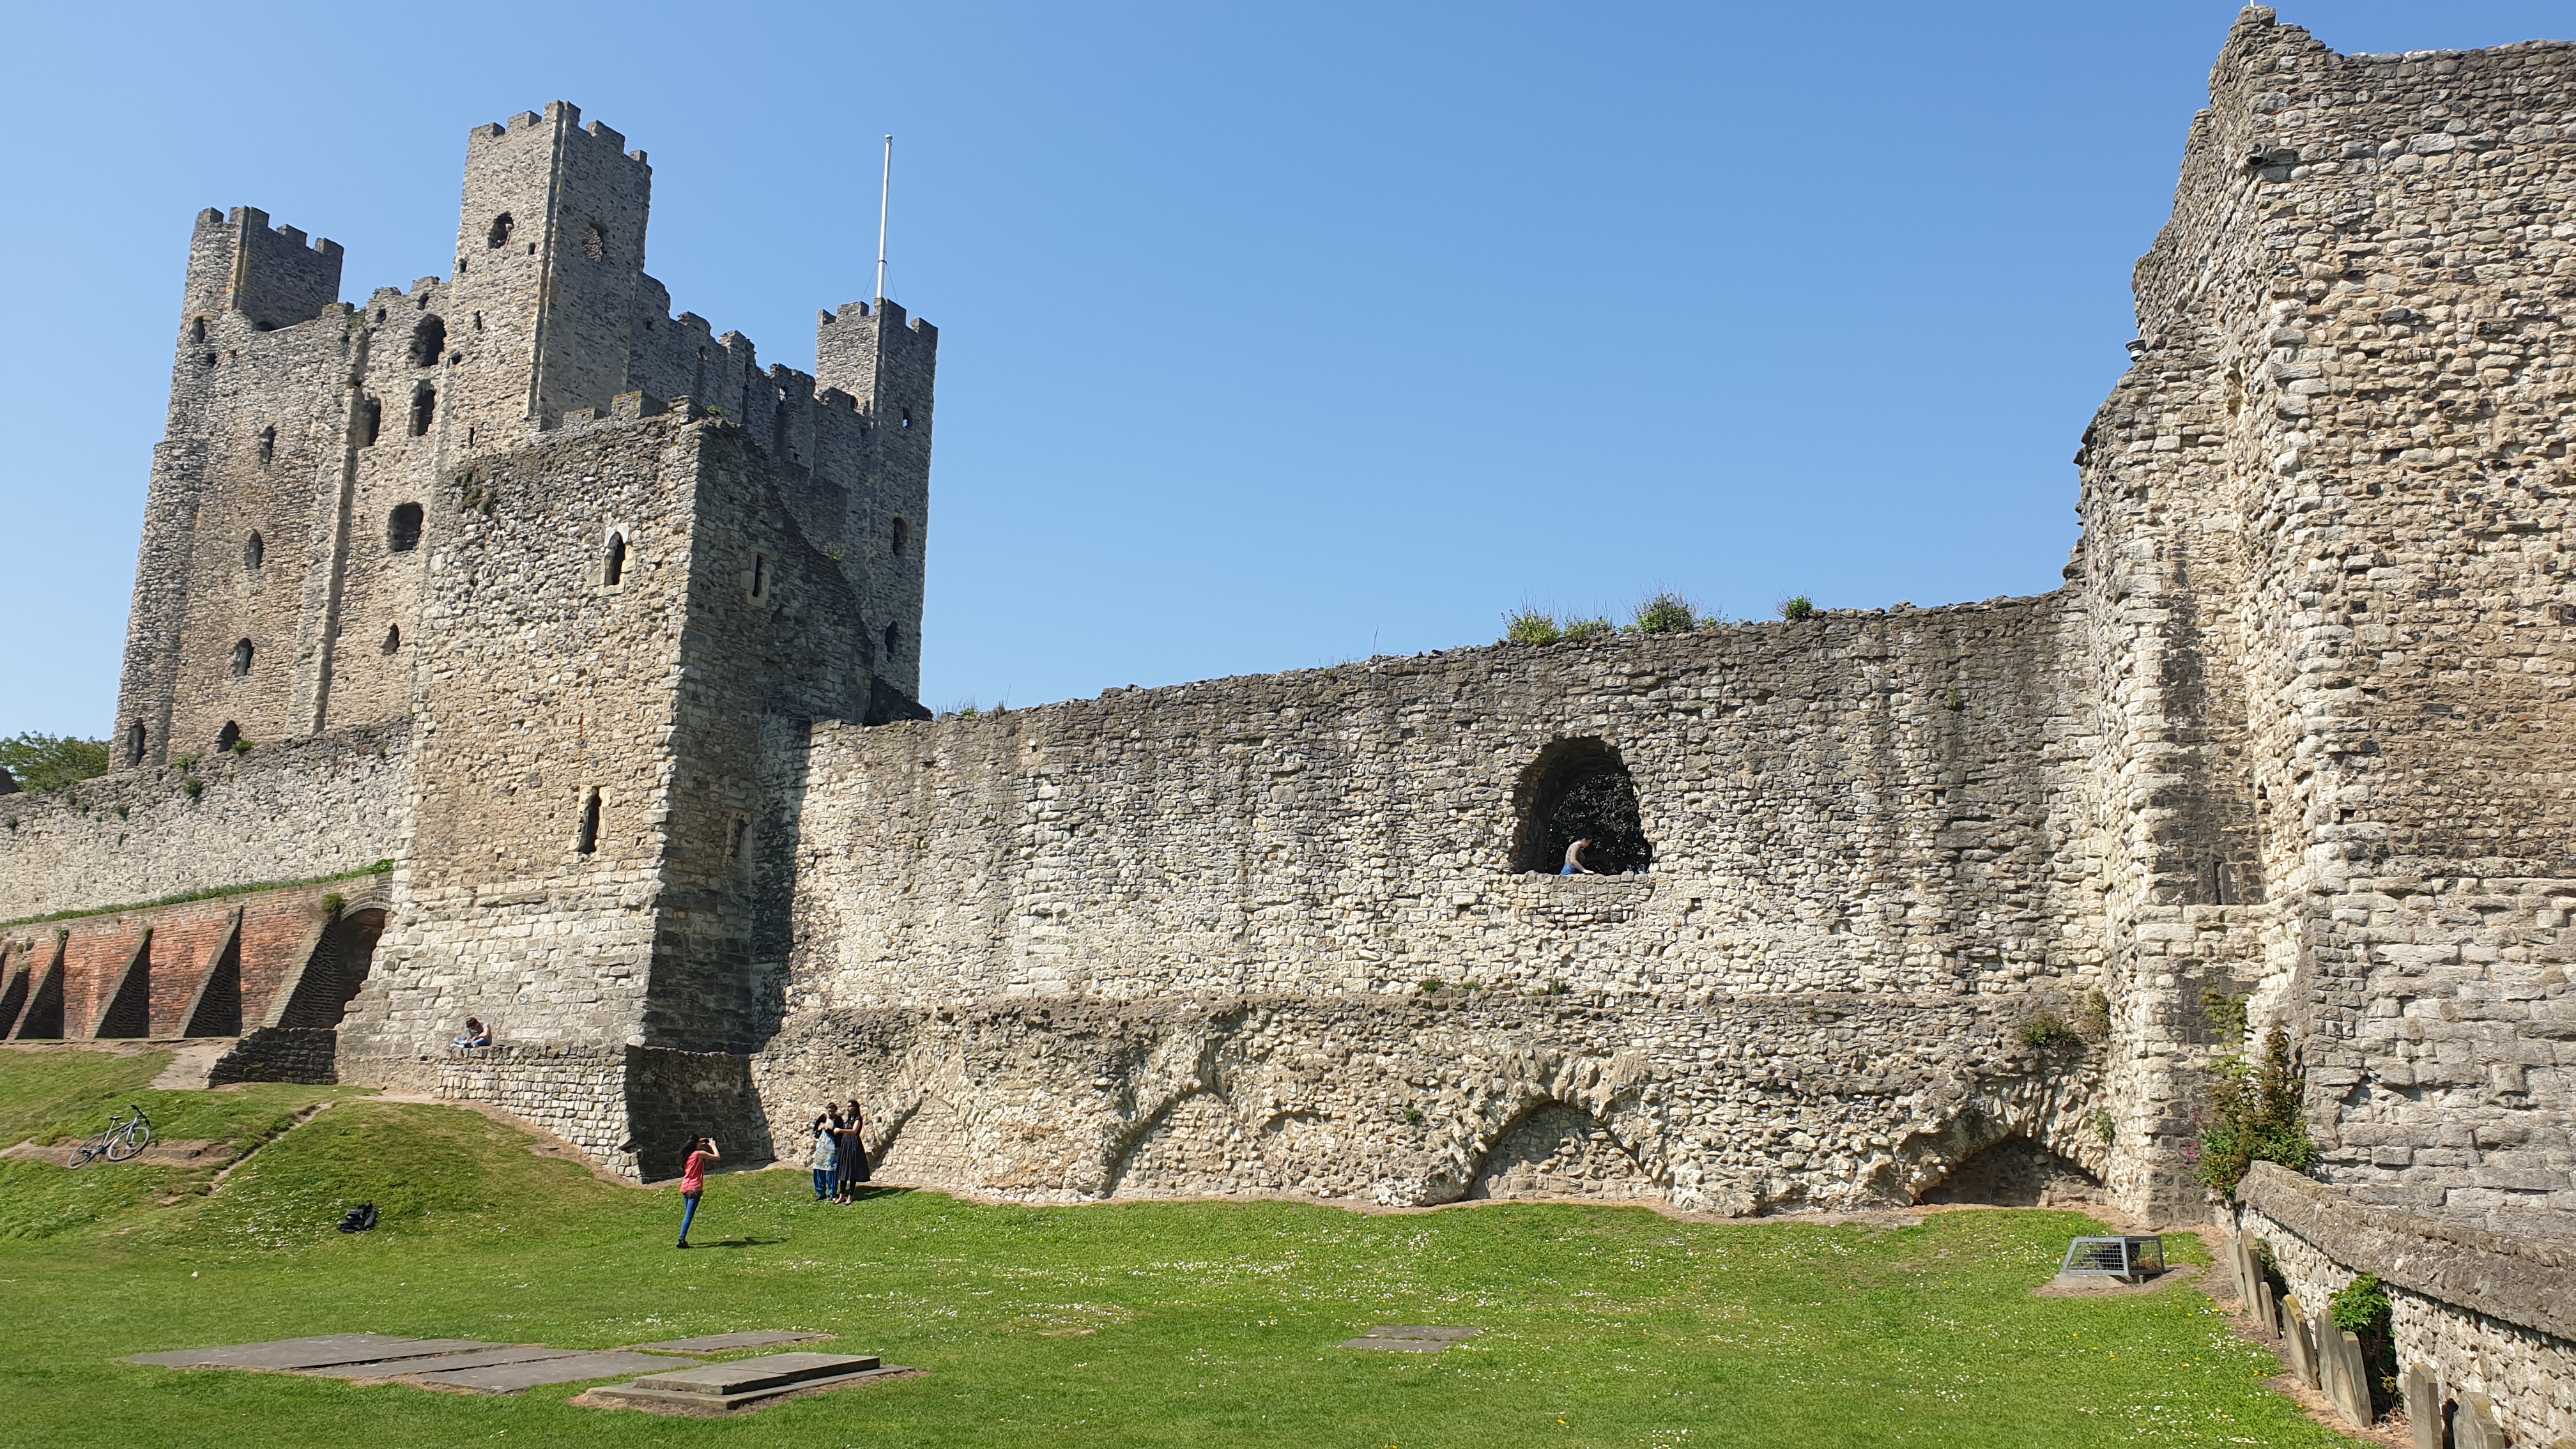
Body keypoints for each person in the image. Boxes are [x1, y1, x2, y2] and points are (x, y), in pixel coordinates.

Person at [675, 1135, 717, 1247]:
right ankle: (681, 1240)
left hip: (685, 1188)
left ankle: (683, 1239)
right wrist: (712, 1146)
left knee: (687, 1215)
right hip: (695, 1189)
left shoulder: (687, 1156)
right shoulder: (699, 1154)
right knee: (689, 1216)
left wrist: (702, 1141)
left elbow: (697, 1145)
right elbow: (717, 1157)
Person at [839, 1097, 871, 1194]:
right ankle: (842, 1193)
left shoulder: (858, 1119)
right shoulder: (849, 1119)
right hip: (846, 1143)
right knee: (844, 1168)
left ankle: (850, 1194)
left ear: (855, 1108)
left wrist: (840, 1130)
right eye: (847, 1107)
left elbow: (854, 1131)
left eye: (850, 1107)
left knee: (853, 1169)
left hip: (854, 1143)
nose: (848, 1109)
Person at [806, 1113, 838, 1202]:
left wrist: (827, 1129)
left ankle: (832, 1193)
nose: (830, 1113)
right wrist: (819, 1129)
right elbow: (816, 1131)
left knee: (830, 1170)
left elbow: (837, 1134)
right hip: (821, 1148)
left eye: (832, 1111)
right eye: (829, 1111)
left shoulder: (837, 1119)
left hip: (831, 1148)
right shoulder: (823, 1118)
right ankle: (821, 1193)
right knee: (818, 1169)